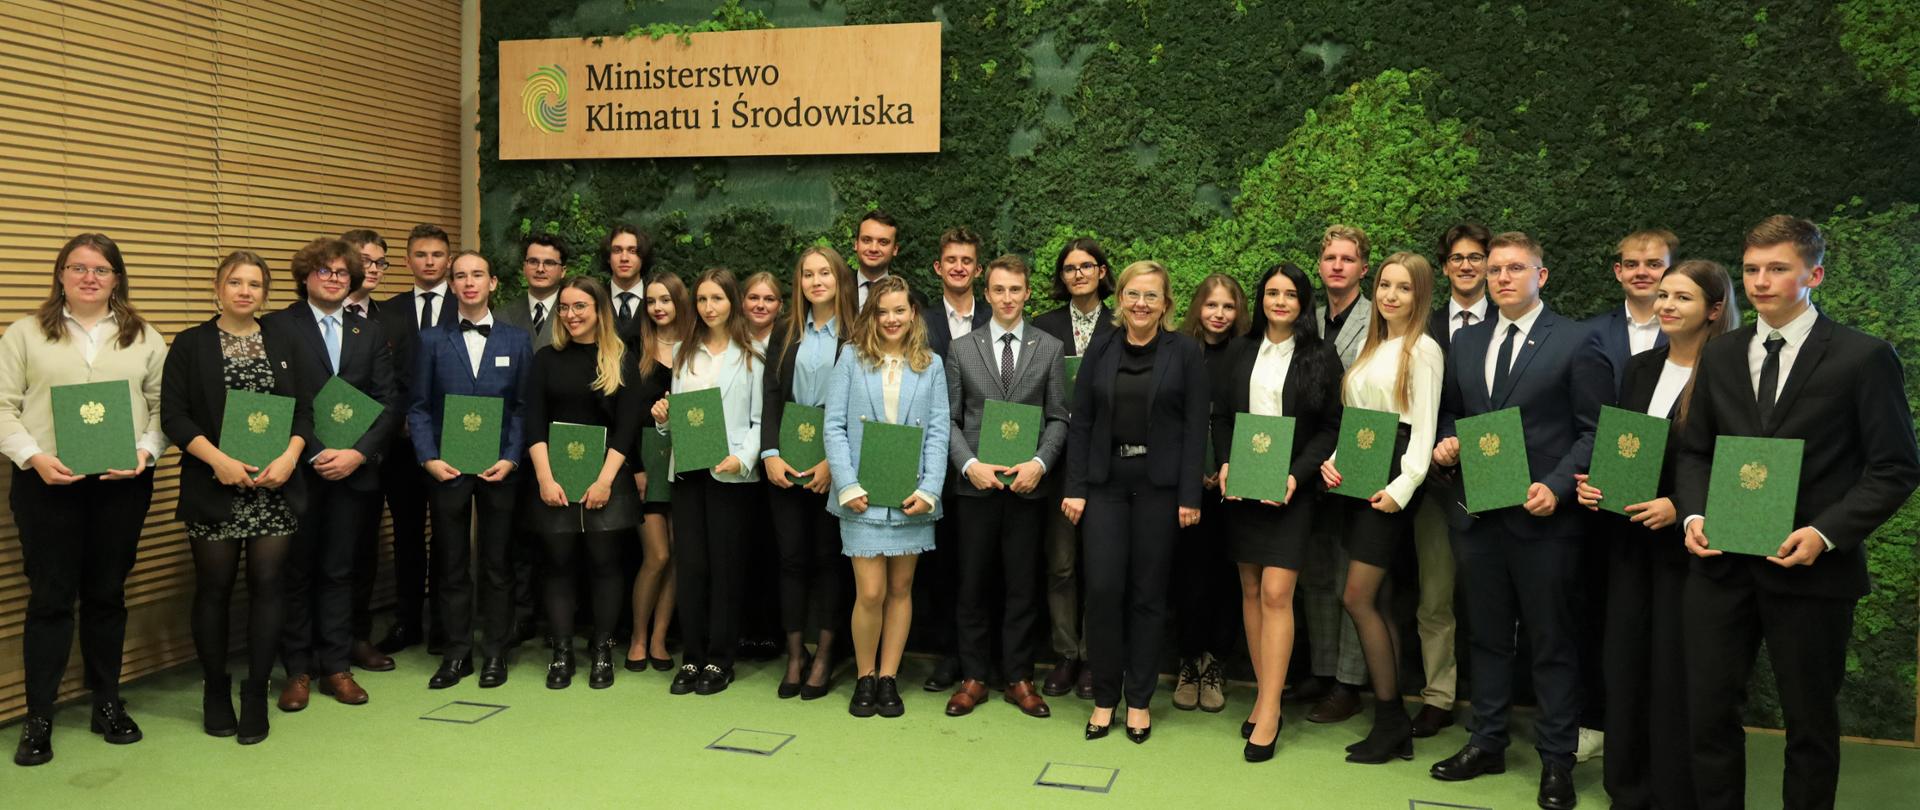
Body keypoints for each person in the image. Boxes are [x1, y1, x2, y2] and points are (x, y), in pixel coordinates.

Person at [1673, 216, 1920, 810]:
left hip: (1811, 571)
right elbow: (1696, 451)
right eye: (1751, 269)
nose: (1761, 281)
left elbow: (1895, 467)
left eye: (1778, 268)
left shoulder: (1864, 357)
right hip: (1720, 567)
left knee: (1809, 724)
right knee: (1708, 716)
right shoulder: (1721, 353)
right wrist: (1694, 516)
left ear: (1815, 275)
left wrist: (1825, 533)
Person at [1428, 231, 1599, 810]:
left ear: (1540, 276)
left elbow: (1593, 430)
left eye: (1515, 268)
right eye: (1495, 268)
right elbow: (1453, 411)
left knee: (1551, 642)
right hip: (1479, 514)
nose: (1502, 277)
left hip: (1543, 517)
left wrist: (1557, 487)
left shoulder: (1575, 339)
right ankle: (1488, 741)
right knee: (1487, 637)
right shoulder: (1467, 341)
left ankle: (1557, 761)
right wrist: (1448, 441)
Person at [1574, 259, 1738, 809]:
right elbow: (1626, 449)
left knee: (1673, 673)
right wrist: (1597, 486)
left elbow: (1735, 463)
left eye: (1682, 297)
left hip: (1688, 550)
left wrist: (1681, 507)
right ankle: (1627, 789)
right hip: (1628, 542)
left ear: (1714, 310)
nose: (1666, 305)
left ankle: (1672, 793)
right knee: (1624, 665)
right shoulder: (1640, 367)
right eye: (1664, 295)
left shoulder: (1730, 372)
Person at [4, 233, 168, 767]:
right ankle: (39, 717)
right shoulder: (25, 334)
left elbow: (164, 406)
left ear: (117, 278)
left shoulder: (144, 336)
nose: (89, 277)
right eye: (78, 267)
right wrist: (32, 456)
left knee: (106, 595)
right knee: (50, 598)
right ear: (61, 275)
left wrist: (145, 452)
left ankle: (107, 704)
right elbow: (1, 405)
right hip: (48, 484)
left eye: (101, 269)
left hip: (122, 485)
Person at [162, 251, 310, 745]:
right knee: (214, 588)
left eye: (254, 284)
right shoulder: (191, 343)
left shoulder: (284, 340)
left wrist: (290, 457)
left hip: (274, 486)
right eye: (235, 282)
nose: (245, 291)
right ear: (218, 288)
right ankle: (215, 689)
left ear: (265, 292)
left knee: (268, 585)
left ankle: (255, 691)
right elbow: (174, 416)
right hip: (214, 484)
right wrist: (218, 461)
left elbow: (305, 412)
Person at [1062, 260, 1208, 745]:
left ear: (1165, 304)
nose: (1141, 304)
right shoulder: (1101, 346)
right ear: (1120, 298)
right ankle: (1106, 698)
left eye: (1151, 296)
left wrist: (1190, 494)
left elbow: (1196, 426)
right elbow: (1081, 420)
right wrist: (1075, 487)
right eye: (1133, 294)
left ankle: (1140, 700)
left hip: (1159, 488)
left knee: (1148, 596)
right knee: (1103, 591)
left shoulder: (1184, 352)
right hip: (1104, 485)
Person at [1212, 262, 1343, 761]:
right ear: (1261, 299)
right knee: (1250, 589)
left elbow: (1331, 427)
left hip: (1292, 490)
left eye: (1289, 294)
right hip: (1244, 489)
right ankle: (1264, 696)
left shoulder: (1320, 355)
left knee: (1275, 593)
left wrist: (1296, 476)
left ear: (1303, 302)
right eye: (1272, 293)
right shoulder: (1240, 351)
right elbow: (1223, 417)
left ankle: (1269, 710)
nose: (1280, 302)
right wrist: (1226, 463)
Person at [263, 238, 398, 714]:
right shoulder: (278, 326)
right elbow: (272, 396)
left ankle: (337, 666)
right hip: (297, 468)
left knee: (341, 571)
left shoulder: (369, 330)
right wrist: (315, 451)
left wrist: (357, 454)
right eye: (324, 271)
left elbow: (387, 400)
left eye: (342, 272)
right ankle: (298, 670)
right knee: (296, 572)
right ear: (305, 276)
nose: (334, 279)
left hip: (353, 473)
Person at [1320, 253, 1445, 763]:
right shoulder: (1372, 346)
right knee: (1379, 600)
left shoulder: (1424, 350)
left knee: (1358, 597)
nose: (1391, 296)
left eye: (1404, 288)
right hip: (1359, 473)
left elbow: (1424, 429)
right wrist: (1334, 461)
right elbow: (1357, 421)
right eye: (1386, 286)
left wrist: (1404, 486)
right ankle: (1392, 723)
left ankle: (1391, 719)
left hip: (1392, 479)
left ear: (1421, 296)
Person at [942, 255, 1069, 719]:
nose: (1008, 298)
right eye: (999, 289)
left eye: (1016, 289)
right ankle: (974, 677)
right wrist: (969, 464)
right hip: (976, 487)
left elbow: (1058, 417)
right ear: (987, 293)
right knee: (972, 585)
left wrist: (1040, 463)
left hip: (1027, 488)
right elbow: (949, 419)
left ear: (1027, 293)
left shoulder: (1050, 348)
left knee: (1022, 586)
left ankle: (1019, 677)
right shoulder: (961, 349)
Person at [1572, 227, 1679, 761]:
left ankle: (1653, 731)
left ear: (1670, 270)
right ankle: (1596, 721)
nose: (1642, 272)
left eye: (1654, 264)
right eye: (1632, 263)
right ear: (1617, 271)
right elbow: (1579, 416)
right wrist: (1582, 475)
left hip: (1672, 503)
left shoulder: (1694, 333)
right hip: (1599, 498)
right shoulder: (1590, 333)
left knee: (1662, 623)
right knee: (1598, 613)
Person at [823, 275, 951, 718]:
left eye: (900, 310)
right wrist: (847, 484)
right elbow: (834, 425)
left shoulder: (931, 364)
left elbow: (938, 431)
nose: (892, 319)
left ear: (913, 313)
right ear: (872, 316)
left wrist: (930, 489)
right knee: (871, 592)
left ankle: (888, 677)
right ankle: (865, 675)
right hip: (861, 495)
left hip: (912, 495)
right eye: (883, 311)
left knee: (900, 588)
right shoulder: (851, 358)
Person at [408, 252, 534, 690]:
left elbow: (523, 408)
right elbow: (418, 407)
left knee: (498, 564)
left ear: (493, 282)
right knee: (452, 564)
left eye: (477, 274)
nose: (468, 282)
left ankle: (496, 651)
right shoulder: (430, 340)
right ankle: (457, 653)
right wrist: (428, 458)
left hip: (501, 468)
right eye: (460, 276)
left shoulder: (517, 341)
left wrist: (512, 457)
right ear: (451, 285)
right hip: (447, 468)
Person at [523, 277, 646, 689]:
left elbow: (627, 428)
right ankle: (561, 653)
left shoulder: (621, 359)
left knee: (605, 565)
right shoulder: (545, 359)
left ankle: (602, 651)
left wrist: (605, 481)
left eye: (580, 307)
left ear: (598, 311)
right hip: (553, 479)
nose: (571, 315)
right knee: (557, 565)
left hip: (606, 479)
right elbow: (534, 423)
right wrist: (544, 478)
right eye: (565, 307)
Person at [650, 268, 767, 696]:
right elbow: (678, 416)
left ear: (732, 302)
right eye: (701, 299)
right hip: (689, 470)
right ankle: (692, 657)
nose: (708, 307)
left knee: (725, 568)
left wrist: (743, 458)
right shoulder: (684, 352)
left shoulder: (753, 354)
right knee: (692, 567)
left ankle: (720, 659)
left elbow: (760, 420)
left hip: (729, 473)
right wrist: (663, 419)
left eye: (716, 298)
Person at [761, 248, 856, 698]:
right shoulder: (785, 332)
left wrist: (834, 465)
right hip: (786, 458)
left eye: (825, 273)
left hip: (833, 460)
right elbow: (770, 395)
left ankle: (826, 654)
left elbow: (861, 404)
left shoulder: (857, 334)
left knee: (828, 559)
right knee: (791, 559)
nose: (816, 281)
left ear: (840, 279)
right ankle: (795, 653)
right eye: (807, 274)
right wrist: (770, 453)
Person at [1409, 222, 1491, 739]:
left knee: (1492, 599)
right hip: (1433, 481)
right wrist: (1441, 442)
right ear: (1444, 268)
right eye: (1457, 258)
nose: (1466, 265)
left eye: (1476, 257)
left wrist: (1462, 438)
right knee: (1434, 596)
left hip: (1495, 480)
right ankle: (1438, 696)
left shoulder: (1510, 323)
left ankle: (1491, 701)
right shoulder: (1423, 326)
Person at [1030, 236, 1115, 699]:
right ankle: (1066, 654)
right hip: (1058, 461)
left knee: (1100, 567)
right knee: (1061, 565)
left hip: (1107, 463)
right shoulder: (1043, 327)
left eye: (1086, 266)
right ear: (1061, 277)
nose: (1078, 274)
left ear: (1102, 271)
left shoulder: (1121, 323)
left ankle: (1095, 655)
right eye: (1069, 268)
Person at [373, 224, 458, 655]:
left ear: (449, 260)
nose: (429, 262)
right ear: (407, 261)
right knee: (406, 534)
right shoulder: (386, 312)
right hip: (401, 443)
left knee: (447, 535)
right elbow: (379, 374)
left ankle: (444, 624)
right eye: (421, 254)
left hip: (452, 441)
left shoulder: (466, 306)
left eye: (437, 254)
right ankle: (407, 621)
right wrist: (401, 419)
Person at [1170, 272, 1248, 713]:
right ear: (1198, 307)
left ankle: (1216, 662)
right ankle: (1187, 661)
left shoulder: (1248, 355)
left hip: (1235, 488)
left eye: (1228, 306)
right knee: (1189, 578)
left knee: (1227, 579)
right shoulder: (1179, 351)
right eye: (1211, 304)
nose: (1219, 314)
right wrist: (1195, 471)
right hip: (1186, 486)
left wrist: (1224, 468)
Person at [919, 227, 990, 691]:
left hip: (986, 458)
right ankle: (949, 655)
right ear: (938, 267)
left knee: (981, 564)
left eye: (967, 260)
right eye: (951, 260)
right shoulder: (920, 320)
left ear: (978, 269)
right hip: (932, 457)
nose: (959, 267)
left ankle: (983, 658)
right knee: (943, 564)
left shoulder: (996, 315)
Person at [495, 232, 569, 646]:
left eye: (549, 262)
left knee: (560, 539)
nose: (540, 268)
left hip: (566, 442)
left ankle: (561, 620)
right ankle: (522, 616)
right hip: (511, 443)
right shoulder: (502, 315)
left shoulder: (577, 310)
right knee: (517, 536)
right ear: (523, 266)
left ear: (563, 270)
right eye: (533, 261)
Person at [337, 228, 396, 672]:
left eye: (379, 262)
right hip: (308, 454)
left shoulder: (390, 319)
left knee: (362, 552)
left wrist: (363, 450)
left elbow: (392, 393)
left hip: (368, 455)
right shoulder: (299, 319)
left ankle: (357, 636)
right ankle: (311, 647)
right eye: (364, 260)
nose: (371, 269)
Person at [625, 270, 688, 671]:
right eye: (651, 301)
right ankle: (637, 637)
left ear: (680, 301)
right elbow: (624, 415)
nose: (658, 307)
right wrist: (634, 467)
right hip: (644, 461)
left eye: (665, 299)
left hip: (686, 460)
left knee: (678, 554)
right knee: (657, 555)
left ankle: (660, 639)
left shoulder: (697, 347)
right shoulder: (633, 348)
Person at [737, 270, 785, 661]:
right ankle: (741, 632)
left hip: (776, 459)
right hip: (734, 464)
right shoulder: (729, 341)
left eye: (769, 299)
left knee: (773, 551)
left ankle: (770, 634)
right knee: (742, 549)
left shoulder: (788, 344)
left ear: (780, 306)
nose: (760, 305)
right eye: (754, 297)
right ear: (742, 302)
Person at [604, 224, 652, 339]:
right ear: (608, 258)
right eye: (617, 250)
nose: (624, 258)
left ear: (643, 257)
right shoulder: (596, 299)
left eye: (632, 251)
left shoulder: (656, 298)